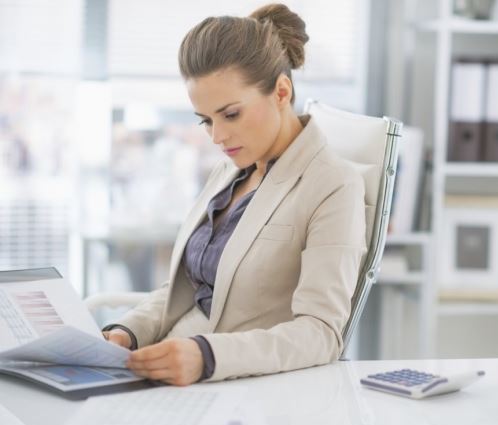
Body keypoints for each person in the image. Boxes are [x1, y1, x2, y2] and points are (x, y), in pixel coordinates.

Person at [102, 3, 366, 385]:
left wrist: (207, 357)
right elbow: (189, 287)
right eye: (206, 120)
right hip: (166, 369)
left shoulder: (334, 185)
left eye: (230, 115)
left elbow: (321, 333)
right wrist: (127, 331)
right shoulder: (230, 171)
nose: (217, 136)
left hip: (236, 387)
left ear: (281, 91)